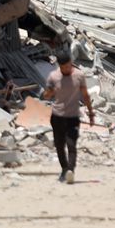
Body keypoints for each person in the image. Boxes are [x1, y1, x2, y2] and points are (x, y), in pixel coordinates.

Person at [44, 51, 95, 184]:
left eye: (68, 66)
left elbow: (85, 95)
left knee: (71, 145)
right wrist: (50, 92)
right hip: (57, 116)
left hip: (72, 116)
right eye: (63, 67)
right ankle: (64, 169)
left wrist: (91, 113)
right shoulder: (53, 77)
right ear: (59, 66)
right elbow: (46, 96)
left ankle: (70, 171)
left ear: (71, 63)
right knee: (60, 145)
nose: (66, 69)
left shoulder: (79, 75)